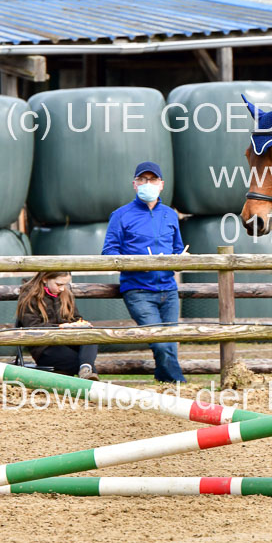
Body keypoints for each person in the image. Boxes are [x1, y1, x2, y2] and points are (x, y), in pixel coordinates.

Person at [102, 161, 187, 383]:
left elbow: (177, 247)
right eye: (143, 180)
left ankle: (164, 384)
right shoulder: (120, 215)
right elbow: (109, 252)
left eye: (152, 180)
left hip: (168, 289)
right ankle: (179, 385)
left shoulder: (169, 215)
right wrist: (136, 262)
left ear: (161, 185)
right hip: (138, 289)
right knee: (159, 342)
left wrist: (181, 258)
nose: (147, 184)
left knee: (169, 342)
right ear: (135, 184)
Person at [15, 271, 99, 380]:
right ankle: (89, 375)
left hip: (68, 341)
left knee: (92, 335)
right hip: (44, 346)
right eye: (59, 285)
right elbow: (32, 326)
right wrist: (61, 327)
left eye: (65, 285)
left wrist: (80, 324)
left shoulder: (66, 295)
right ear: (45, 279)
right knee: (79, 362)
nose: (62, 289)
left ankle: (86, 369)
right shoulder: (29, 297)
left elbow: (76, 318)